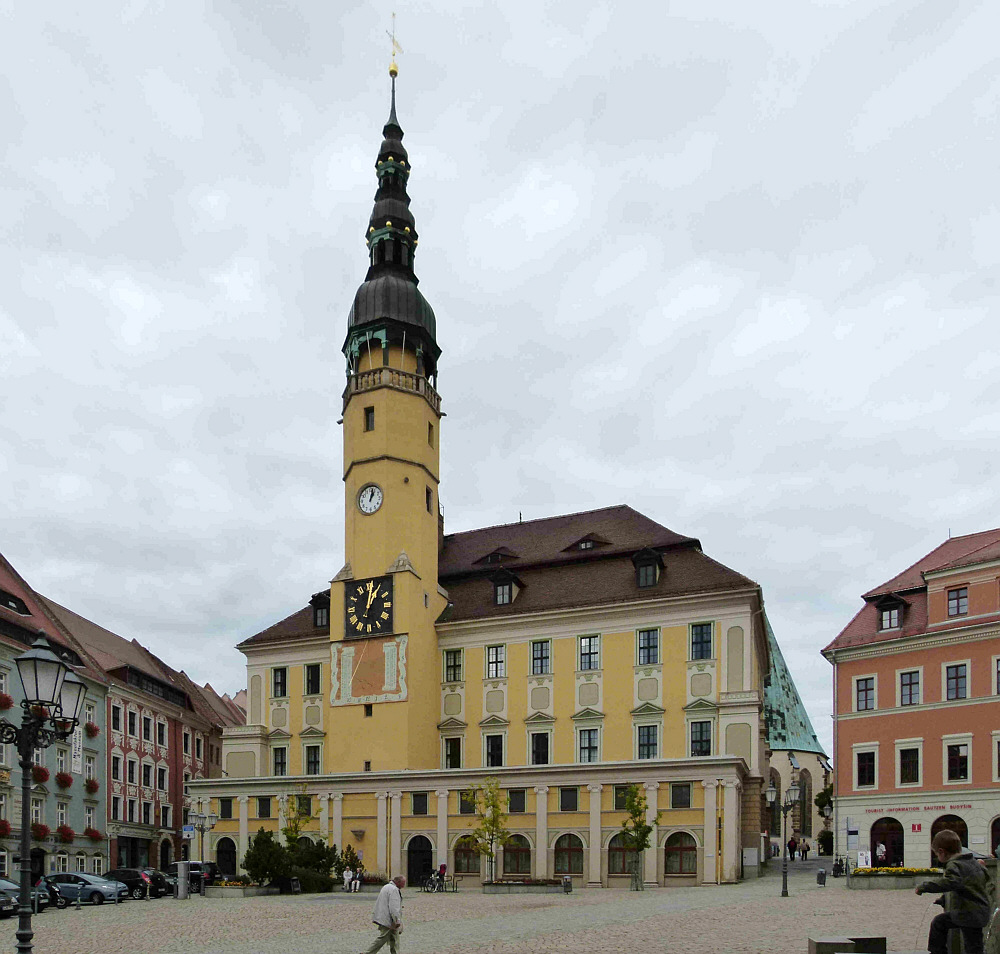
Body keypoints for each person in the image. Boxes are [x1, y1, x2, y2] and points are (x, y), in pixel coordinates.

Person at [915, 830, 990, 954]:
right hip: (978, 911)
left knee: (939, 924)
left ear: (941, 852)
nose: (937, 858)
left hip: (968, 913)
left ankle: (937, 952)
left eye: (936, 854)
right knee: (974, 945)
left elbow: (950, 882)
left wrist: (924, 886)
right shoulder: (971, 862)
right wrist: (944, 899)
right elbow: (967, 884)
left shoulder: (955, 864)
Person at [360, 875, 405, 954]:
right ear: (398, 882)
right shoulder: (394, 890)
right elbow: (394, 907)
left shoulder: (386, 887)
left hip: (384, 917)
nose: (404, 885)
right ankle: (368, 952)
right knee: (383, 938)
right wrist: (397, 920)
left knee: (394, 938)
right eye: (403, 883)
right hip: (389, 919)